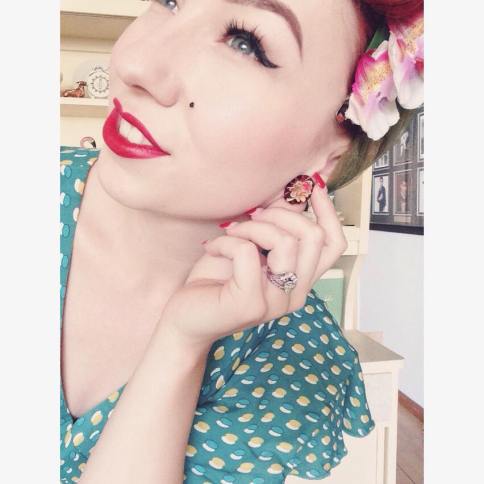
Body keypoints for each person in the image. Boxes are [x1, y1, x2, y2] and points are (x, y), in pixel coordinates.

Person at [60, 0, 423, 482]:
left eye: (245, 43)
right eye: (170, 0)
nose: (136, 65)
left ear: (328, 157)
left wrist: (181, 342)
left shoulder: (291, 365)